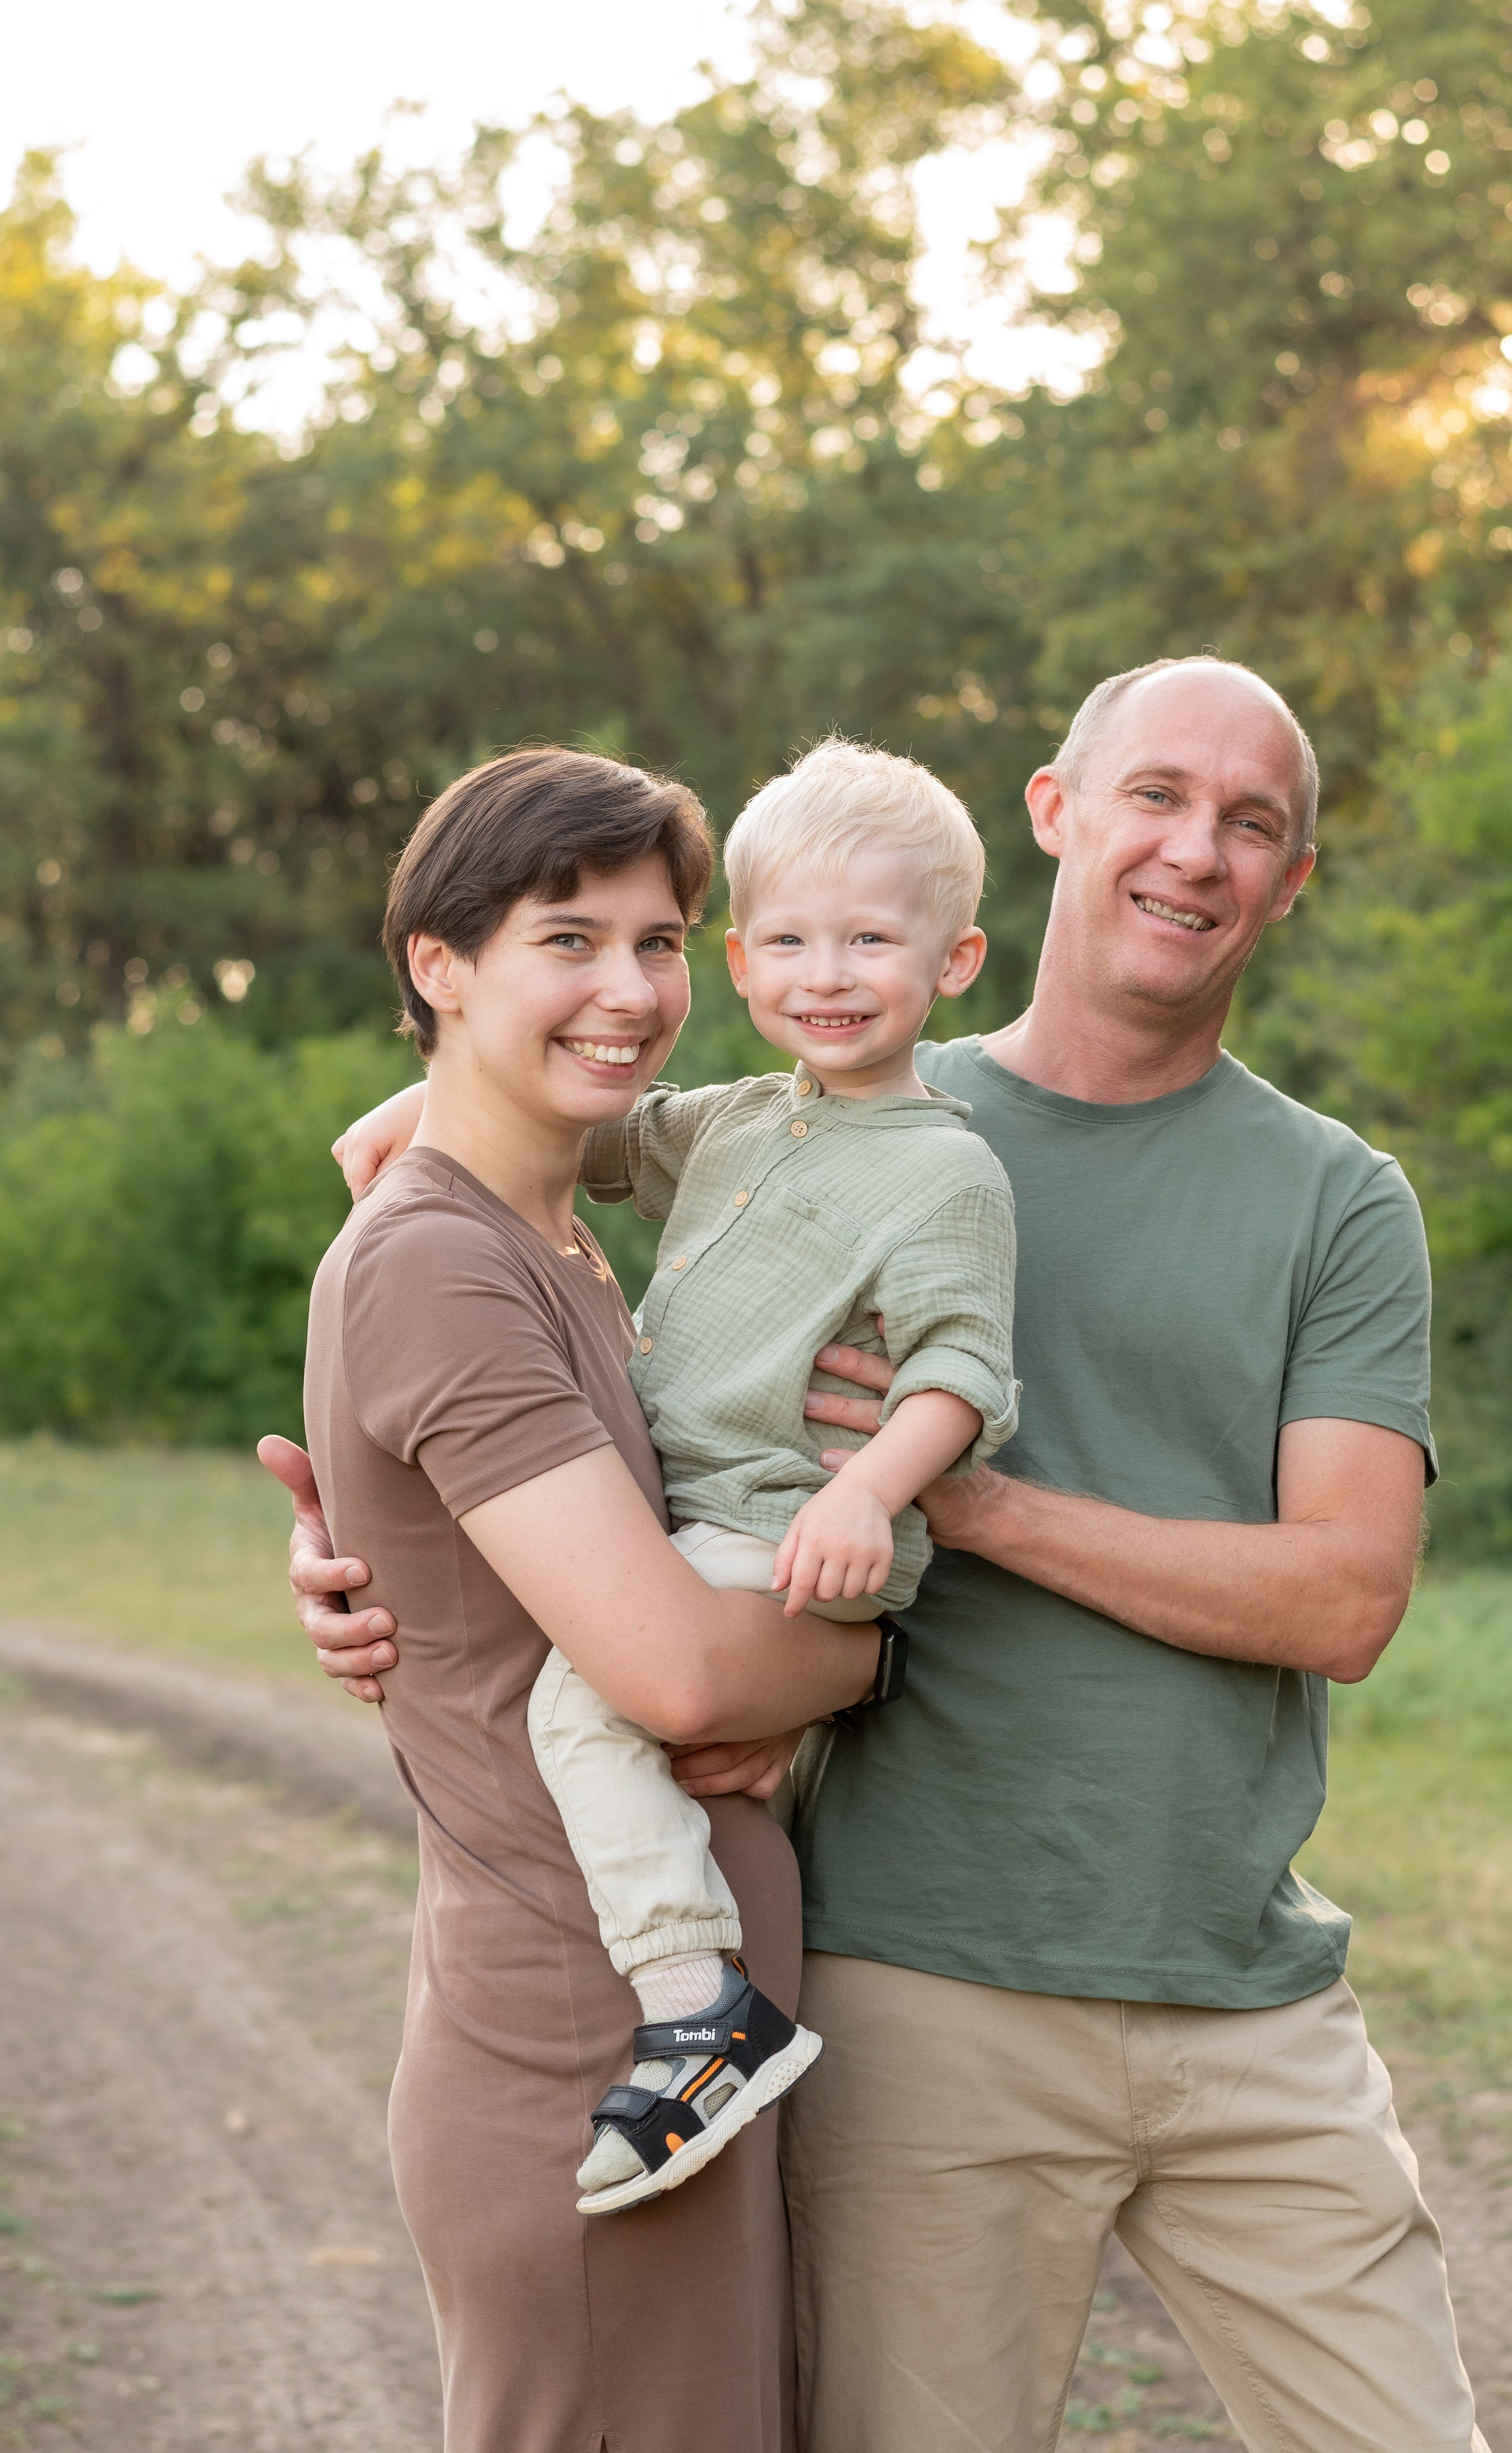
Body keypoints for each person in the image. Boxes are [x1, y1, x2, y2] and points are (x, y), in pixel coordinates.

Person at [278, 658, 1492, 2453]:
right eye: (1154, 795)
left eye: (1254, 824)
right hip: (916, 1979)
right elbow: (450, 1179)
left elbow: (1346, 1598)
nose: (1197, 851)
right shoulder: (787, 1114)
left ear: (1294, 878)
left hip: (1247, 1992)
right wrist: (364, 1564)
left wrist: (959, 1508)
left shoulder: (1333, 1197)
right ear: (1058, 814)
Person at [284, 745, 883, 2453]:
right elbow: (682, 1675)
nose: (630, 990)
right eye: (568, 938)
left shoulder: (553, 1230)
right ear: (438, 962)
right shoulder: (444, 1258)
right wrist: (873, 1639)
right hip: (591, 2065)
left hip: (661, 2058)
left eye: (660, 940)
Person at [342, 740, 1018, 2219]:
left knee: (585, 1709)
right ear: (745, 957)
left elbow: (963, 1369)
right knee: (598, 1701)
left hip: (791, 1523)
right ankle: (694, 1989)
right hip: (709, 1530)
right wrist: (405, 1123)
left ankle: (689, 1995)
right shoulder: (731, 1124)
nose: (824, 975)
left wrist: (867, 1496)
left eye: (868, 942)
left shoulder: (946, 1171)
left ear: (953, 958)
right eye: (785, 941)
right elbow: (576, 1137)